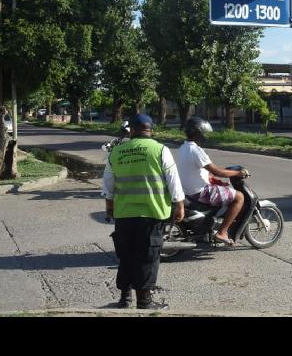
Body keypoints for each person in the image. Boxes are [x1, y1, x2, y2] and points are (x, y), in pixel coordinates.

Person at [102, 113, 185, 310]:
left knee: (126, 256)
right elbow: (173, 180)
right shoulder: (160, 150)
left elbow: (108, 185)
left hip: (124, 214)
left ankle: (124, 300)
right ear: (150, 130)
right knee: (147, 257)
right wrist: (179, 204)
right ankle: (145, 302)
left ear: (131, 130)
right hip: (152, 213)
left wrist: (109, 208)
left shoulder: (117, 152)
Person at [177, 116, 248, 247]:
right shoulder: (196, 150)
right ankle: (222, 232)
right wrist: (238, 173)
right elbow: (217, 171)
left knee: (225, 189)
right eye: (205, 133)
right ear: (198, 133)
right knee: (239, 197)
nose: (206, 136)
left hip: (188, 190)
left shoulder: (183, 148)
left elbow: (199, 170)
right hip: (200, 192)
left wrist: (212, 179)